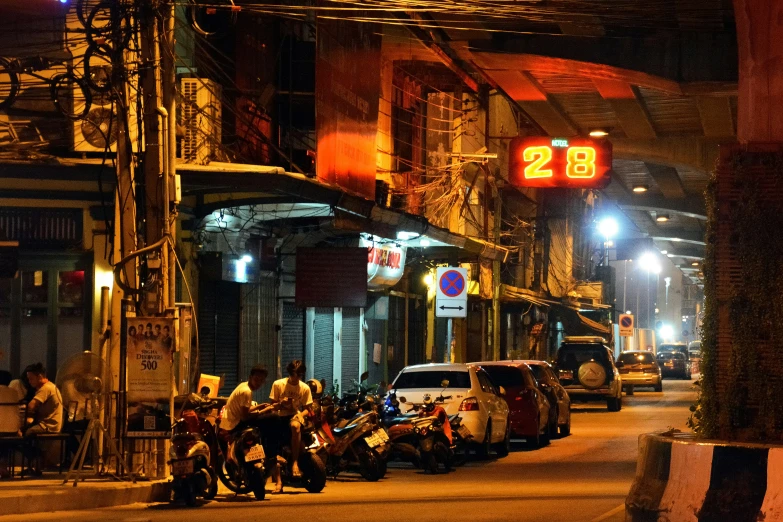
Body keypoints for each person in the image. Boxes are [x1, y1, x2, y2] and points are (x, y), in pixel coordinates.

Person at [221, 365, 281, 491]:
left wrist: (259, 407)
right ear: (250, 377)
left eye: (261, 380)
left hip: (233, 422)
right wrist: (266, 410)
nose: (258, 382)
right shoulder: (246, 391)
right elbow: (245, 416)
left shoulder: (243, 387)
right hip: (237, 424)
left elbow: (245, 409)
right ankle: (272, 453)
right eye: (256, 379)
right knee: (274, 418)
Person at [270, 360, 313, 481]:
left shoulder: (304, 388)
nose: (296, 377)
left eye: (299, 375)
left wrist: (300, 415)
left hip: (294, 416)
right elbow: (272, 405)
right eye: (294, 374)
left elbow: (307, 409)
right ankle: (277, 477)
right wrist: (281, 403)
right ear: (289, 373)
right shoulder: (278, 384)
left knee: (295, 426)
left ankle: (295, 462)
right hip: (279, 416)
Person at [24, 363, 63, 436]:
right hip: (51, 425)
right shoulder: (50, 386)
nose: (29, 381)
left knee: (26, 432)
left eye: (31, 379)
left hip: (48, 426)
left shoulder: (46, 388)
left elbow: (30, 406)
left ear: (39, 377)